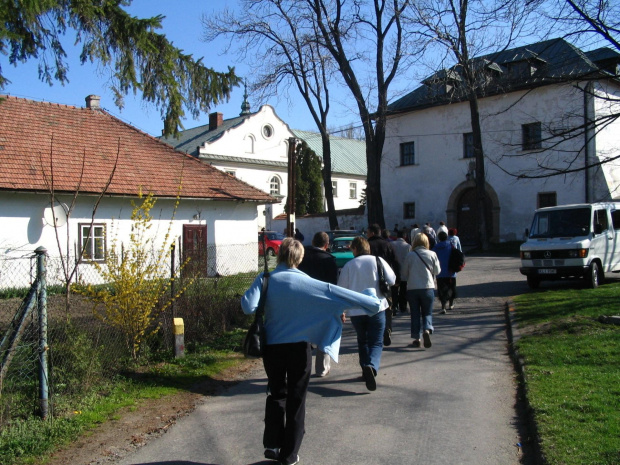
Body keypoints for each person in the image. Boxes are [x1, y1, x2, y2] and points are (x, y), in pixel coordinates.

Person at [242, 238, 382, 465]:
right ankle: (289, 455)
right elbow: (335, 294)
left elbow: (248, 306)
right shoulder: (308, 282)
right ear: (299, 258)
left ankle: (272, 443)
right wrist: (369, 300)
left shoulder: (265, 279)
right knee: (297, 398)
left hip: (272, 348)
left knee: (277, 393)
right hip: (299, 348)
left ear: (278, 255)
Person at [338, 236, 396, 391]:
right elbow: (392, 279)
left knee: (362, 340)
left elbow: (341, 289)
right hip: (376, 307)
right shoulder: (378, 261)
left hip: (356, 310)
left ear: (355, 249)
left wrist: (342, 310)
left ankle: (365, 368)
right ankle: (372, 365)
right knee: (376, 342)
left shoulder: (349, 265)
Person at [298, 231, 339, 377]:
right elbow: (334, 286)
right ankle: (322, 368)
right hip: (323, 302)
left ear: (313, 242)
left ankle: (303, 365)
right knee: (324, 334)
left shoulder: (302, 257)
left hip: (304, 300)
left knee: (305, 333)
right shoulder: (328, 259)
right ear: (326, 245)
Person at [400, 233, 440, 349]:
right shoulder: (432, 254)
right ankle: (427, 329)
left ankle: (416, 338)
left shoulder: (410, 255)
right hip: (427, 287)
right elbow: (437, 271)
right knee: (427, 312)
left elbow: (404, 273)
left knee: (415, 314)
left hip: (412, 288)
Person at [366, 223, 400, 346]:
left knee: (372, 307)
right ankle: (387, 329)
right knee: (388, 307)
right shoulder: (388, 244)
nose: (366, 234)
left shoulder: (368, 245)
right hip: (386, 281)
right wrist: (397, 280)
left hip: (370, 281)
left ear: (373, 233)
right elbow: (395, 262)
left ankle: (375, 332)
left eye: (367, 232)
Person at [433, 231, 457, 314]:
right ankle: (451, 304)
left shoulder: (435, 247)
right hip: (451, 271)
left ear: (439, 238)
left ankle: (443, 306)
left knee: (442, 290)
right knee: (451, 288)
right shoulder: (450, 245)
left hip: (440, 272)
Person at [391, 229, 411, 314]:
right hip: (404, 271)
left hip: (393, 271)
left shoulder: (391, 244)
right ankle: (403, 306)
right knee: (403, 290)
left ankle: (394, 305)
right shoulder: (408, 246)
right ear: (405, 236)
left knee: (394, 290)